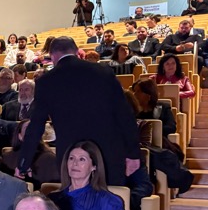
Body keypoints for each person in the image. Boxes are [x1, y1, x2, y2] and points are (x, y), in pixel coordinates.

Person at [17, 37, 141, 187]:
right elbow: (125, 115)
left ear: (52, 55)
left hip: (71, 157)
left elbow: (36, 125)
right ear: (76, 52)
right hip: (108, 154)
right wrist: (133, 154)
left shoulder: (46, 81)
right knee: (110, 198)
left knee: (75, 199)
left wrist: (24, 162)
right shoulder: (104, 72)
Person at [48, 141, 140, 210]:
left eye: (82, 159)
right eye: (71, 158)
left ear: (94, 166)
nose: (75, 163)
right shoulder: (52, 200)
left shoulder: (109, 202)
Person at [0, 120, 59, 189]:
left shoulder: (50, 159)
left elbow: (55, 188)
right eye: (28, 127)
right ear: (20, 136)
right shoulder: (7, 158)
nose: (32, 129)